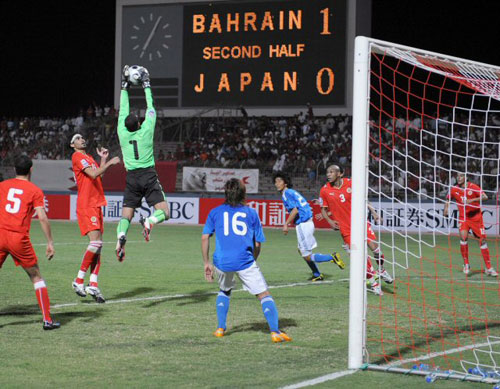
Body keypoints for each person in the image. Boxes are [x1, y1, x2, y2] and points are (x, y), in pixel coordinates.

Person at [202, 178, 291, 343]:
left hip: (221, 262)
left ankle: (220, 328)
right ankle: (275, 332)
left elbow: (205, 237)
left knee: (225, 291)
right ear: (243, 194)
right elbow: (257, 244)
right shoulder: (251, 213)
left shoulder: (215, 212)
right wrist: (253, 260)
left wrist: (206, 263)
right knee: (263, 294)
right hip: (244, 261)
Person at [115, 65, 170, 261]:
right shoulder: (146, 130)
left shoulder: (122, 133)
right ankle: (149, 221)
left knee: (126, 216)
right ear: (139, 123)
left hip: (131, 177)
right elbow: (151, 108)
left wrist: (124, 87)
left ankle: (121, 235)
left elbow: (123, 111)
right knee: (164, 212)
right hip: (148, 174)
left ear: (125, 126)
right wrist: (146, 85)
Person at [0, 155, 59, 330]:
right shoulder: (34, 190)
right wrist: (50, 242)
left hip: (0, 234)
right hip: (18, 238)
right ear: (31, 170)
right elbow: (42, 217)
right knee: (36, 277)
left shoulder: (2, 186)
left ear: (14, 169)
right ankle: (47, 320)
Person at [319, 164, 393, 296]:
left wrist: (374, 213)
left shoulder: (351, 183)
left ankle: (381, 270)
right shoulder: (324, 190)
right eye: (327, 172)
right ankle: (374, 283)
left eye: (331, 172)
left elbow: (364, 200)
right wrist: (330, 221)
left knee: (375, 248)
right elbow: (323, 210)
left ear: (340, 174)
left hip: (361, 223)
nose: (328, 174)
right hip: (345, 230)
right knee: (358, 255)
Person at [70, 134, 121, 302]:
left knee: (98, 246)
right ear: (72, 144)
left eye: (82, 138)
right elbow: (92, 174)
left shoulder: (89, 157)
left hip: (96, 203)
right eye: (77, 138)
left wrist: (103, 160)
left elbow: (99, 176)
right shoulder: (77, 156)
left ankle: (93, 284)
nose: (82, 139)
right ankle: (78, 280)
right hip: (87, 203)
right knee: (95, 243)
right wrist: (111, 163)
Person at [273, 171, 345, 282]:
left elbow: (295, 209)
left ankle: (332, 257)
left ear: (285, 183)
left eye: (279, 181)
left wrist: (286, 224)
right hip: (307, 222)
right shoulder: (292, 192)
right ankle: (316, 274)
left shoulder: (287, 193)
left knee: (306, 254)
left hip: (303, 224)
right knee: (301, 250)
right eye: (275, 181)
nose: (276, 183)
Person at [443, 173, 498, 276]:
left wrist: (471, 200)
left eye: (461, 176)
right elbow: (448, 199)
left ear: (466, 177)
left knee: (482, 241)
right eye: (457, 176)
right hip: (463, 218)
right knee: (463, 238)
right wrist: (446, 208)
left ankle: (488, 268)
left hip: (476, 218)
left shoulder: (473, 187)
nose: (458, 178)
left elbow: (485, 197)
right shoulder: (454, 189)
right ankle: (466, 265)